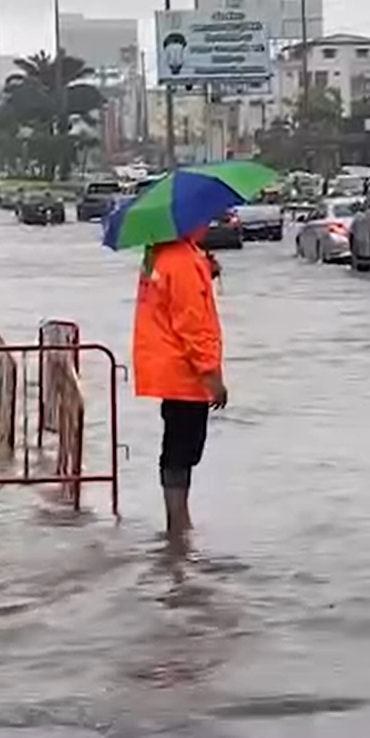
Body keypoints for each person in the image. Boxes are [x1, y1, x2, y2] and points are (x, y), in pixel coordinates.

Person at [133, 224, 228, 535]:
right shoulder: (183, 261)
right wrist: (210, 374)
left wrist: (204, 268)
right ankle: (178, 527)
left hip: (166, 366)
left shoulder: (160, 253)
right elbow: (192, 323)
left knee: (177, 445)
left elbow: (168, 300)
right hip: (183, 371)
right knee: (182, 449)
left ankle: (178, 523)